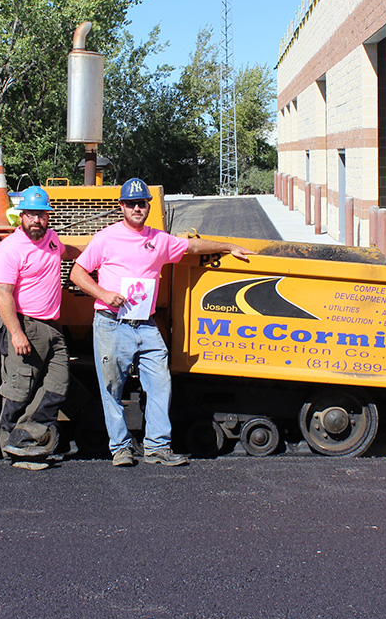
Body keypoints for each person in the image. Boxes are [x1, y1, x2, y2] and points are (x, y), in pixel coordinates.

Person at [70, 178, 254, 467]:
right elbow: (77, 273)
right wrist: (103, 293)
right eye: (130, 204)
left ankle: (157, 447)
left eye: (141, 203)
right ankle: (120, 448)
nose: (136, 208)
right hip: (111, 323)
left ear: (148, 206)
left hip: (145, 325)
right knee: (111, 388)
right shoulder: (105, 238)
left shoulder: (158, 240)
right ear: (122, 207)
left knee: (160, 384)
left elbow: (192, 246)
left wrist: (229, 246)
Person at [0, 186, 80, 470]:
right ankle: (11, 448)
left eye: (41, 214)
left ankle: (24, 436)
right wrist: (16, 333)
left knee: (58, 385)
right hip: (24, 323)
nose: (36, 220)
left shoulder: (52, 239)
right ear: (21, 217)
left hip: (52, 326)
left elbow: (67, 252)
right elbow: (2, 293)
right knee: (19, 389)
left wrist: (92, 256)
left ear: (48, 217)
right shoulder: (10, 249)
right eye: (30, 214)